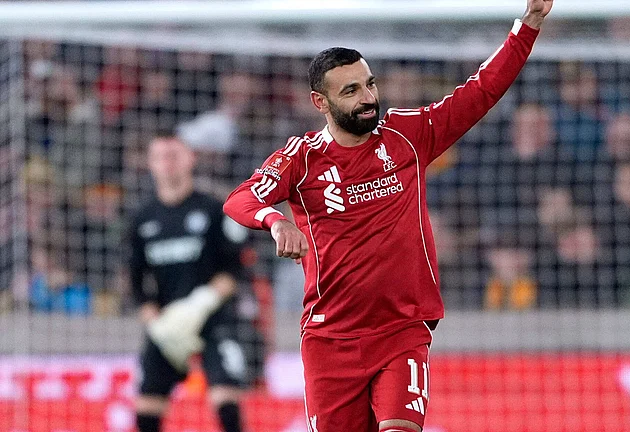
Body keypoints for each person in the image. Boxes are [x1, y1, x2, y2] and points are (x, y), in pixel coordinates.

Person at [223, 1, 553, 430]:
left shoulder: (407, 136)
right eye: (351, 91)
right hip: (330, 339)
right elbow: (240, 199)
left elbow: (481, 90)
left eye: (369, 84)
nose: (367, 99)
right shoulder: (302, 157)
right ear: (319, 102)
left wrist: (526, 26)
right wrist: (276, 220)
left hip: (402, 330)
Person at [127, 133, 257, 432]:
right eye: (160, 157)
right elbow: (135, 283)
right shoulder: (141, 219)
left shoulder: (213, 210)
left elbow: (234, 271)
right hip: (169, 325)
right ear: (150, 164)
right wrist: (156, 324)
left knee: (225, 402)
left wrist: (200, 304)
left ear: (190, 159)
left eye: (174, 155)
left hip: (213, 319)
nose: (167, 163)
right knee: (146, 409)